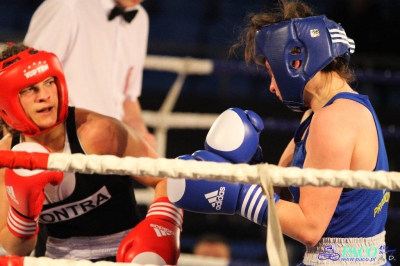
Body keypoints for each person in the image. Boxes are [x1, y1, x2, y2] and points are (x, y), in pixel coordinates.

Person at [168, 1, 391, 265]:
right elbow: (284, 194)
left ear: (295, 62)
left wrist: (240, 196)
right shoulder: (320, 113)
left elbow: (309, 227)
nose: (272, 87)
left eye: (271, 73)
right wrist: (254, 170)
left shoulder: (335, 120)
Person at [0, 43, 182, 265]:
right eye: (29, 89)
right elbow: (17, 247)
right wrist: (23, 215)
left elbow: (167, 176)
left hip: (125, 251)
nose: (45, 96)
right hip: (58, 259)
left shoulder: (97, 131)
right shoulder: (6, 157)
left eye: (49, 83)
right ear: (6, 101)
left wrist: (162, 223)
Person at [24, 0, 156, 150]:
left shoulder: (140, 18)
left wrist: (143, 140)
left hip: (111, 149)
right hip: (65, 146)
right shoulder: (65, 6)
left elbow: (127, 99)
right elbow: (26, 82)